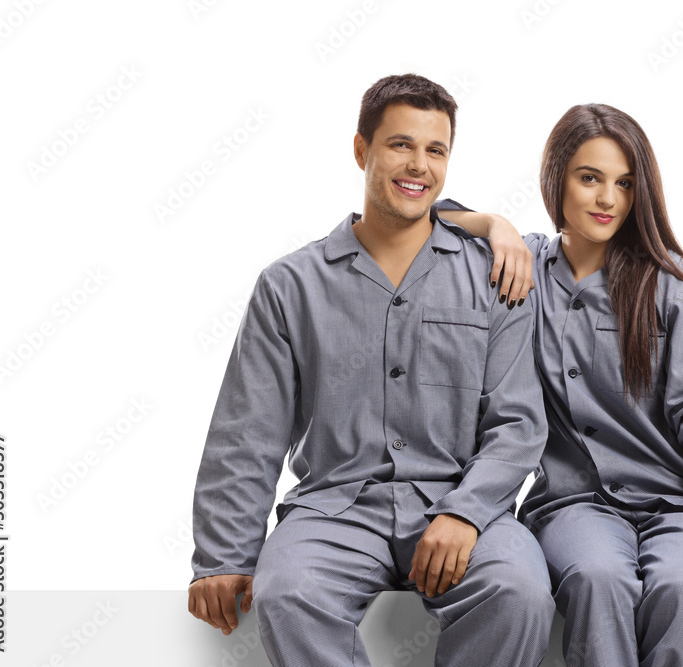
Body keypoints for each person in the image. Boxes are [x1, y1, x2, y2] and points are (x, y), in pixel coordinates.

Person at [187, 73, 555, 667]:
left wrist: (465, 512)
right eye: (400, 145)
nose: (419, 165)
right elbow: (247, 430)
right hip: (333, 508)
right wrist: (224, 557)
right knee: (288, 594)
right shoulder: (291, 286)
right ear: (362, 150)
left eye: (436, 150)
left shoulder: (494, 277)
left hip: (460, 503)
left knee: (519, 592)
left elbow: (518, 422)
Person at [434, 103, 683, 667]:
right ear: (556, 179)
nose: (608, 199)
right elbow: (432, 212)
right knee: (596, 578)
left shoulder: (678, 289)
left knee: (681, 589)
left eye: (624, 184)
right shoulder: (522, 266)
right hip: (572, 504)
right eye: (590, 178)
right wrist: (495, 225)